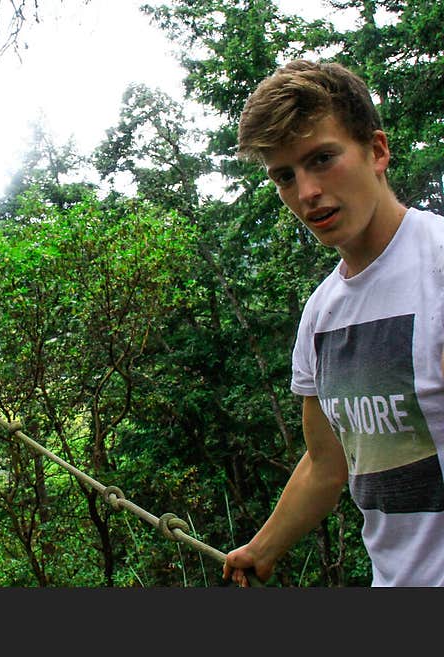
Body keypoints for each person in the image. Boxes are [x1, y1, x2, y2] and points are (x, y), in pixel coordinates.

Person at [223, 59, 444, 587]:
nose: (306, 193)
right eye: (285, 176)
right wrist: (262, 548)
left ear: (377, 151)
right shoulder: (322, 313)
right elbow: (327, 464)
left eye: (322, 159)